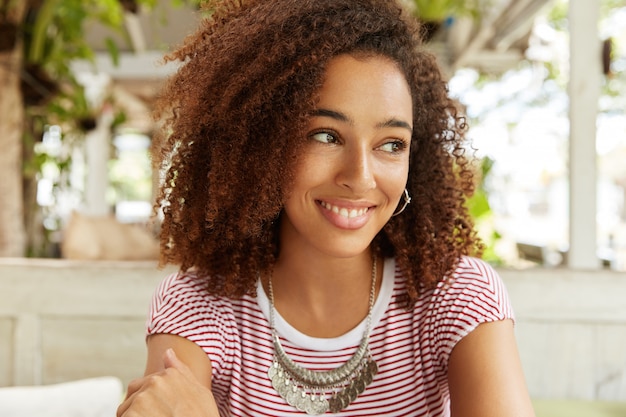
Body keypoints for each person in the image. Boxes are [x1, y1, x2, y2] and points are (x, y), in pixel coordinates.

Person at [117, 0, 536, 416]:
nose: (361, 177)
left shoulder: (456, 296)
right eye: (325, 136)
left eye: (392, 144)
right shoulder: (199, 305)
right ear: (262, 142)